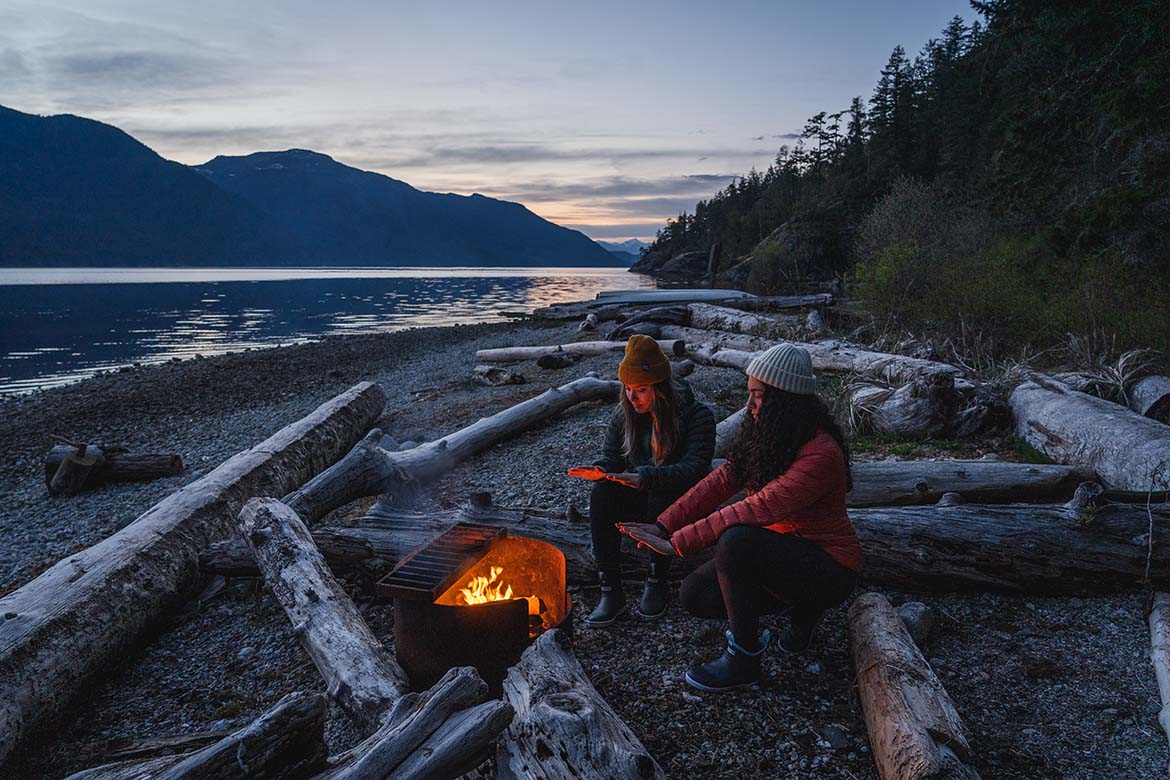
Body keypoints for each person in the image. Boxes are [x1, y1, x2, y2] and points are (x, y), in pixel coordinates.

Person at [620, 343, 861, 692]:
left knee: (738, 539)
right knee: (695, 596)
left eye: (758, 397)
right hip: (781, 556)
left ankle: (744, 659)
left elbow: (757, 507)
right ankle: (798, 609)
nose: (748, 406)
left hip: (830, 567)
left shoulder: (820, 454)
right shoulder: (772, 436)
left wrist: (679, 543)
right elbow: (720, 481)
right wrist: (664, 523)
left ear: (785, 401)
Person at [569, 334, 715, 627]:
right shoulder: (625, 414)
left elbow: (694, 469)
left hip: (679, 505)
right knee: (602, 493)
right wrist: (602, 470)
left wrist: (643, 477)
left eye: (641, 390)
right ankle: (610, 589)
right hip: (639, 494)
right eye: (628, 389)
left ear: (660, 389)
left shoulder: (697, 416)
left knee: (662, 489)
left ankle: (656, 578)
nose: (632, 397)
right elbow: (612, 456)